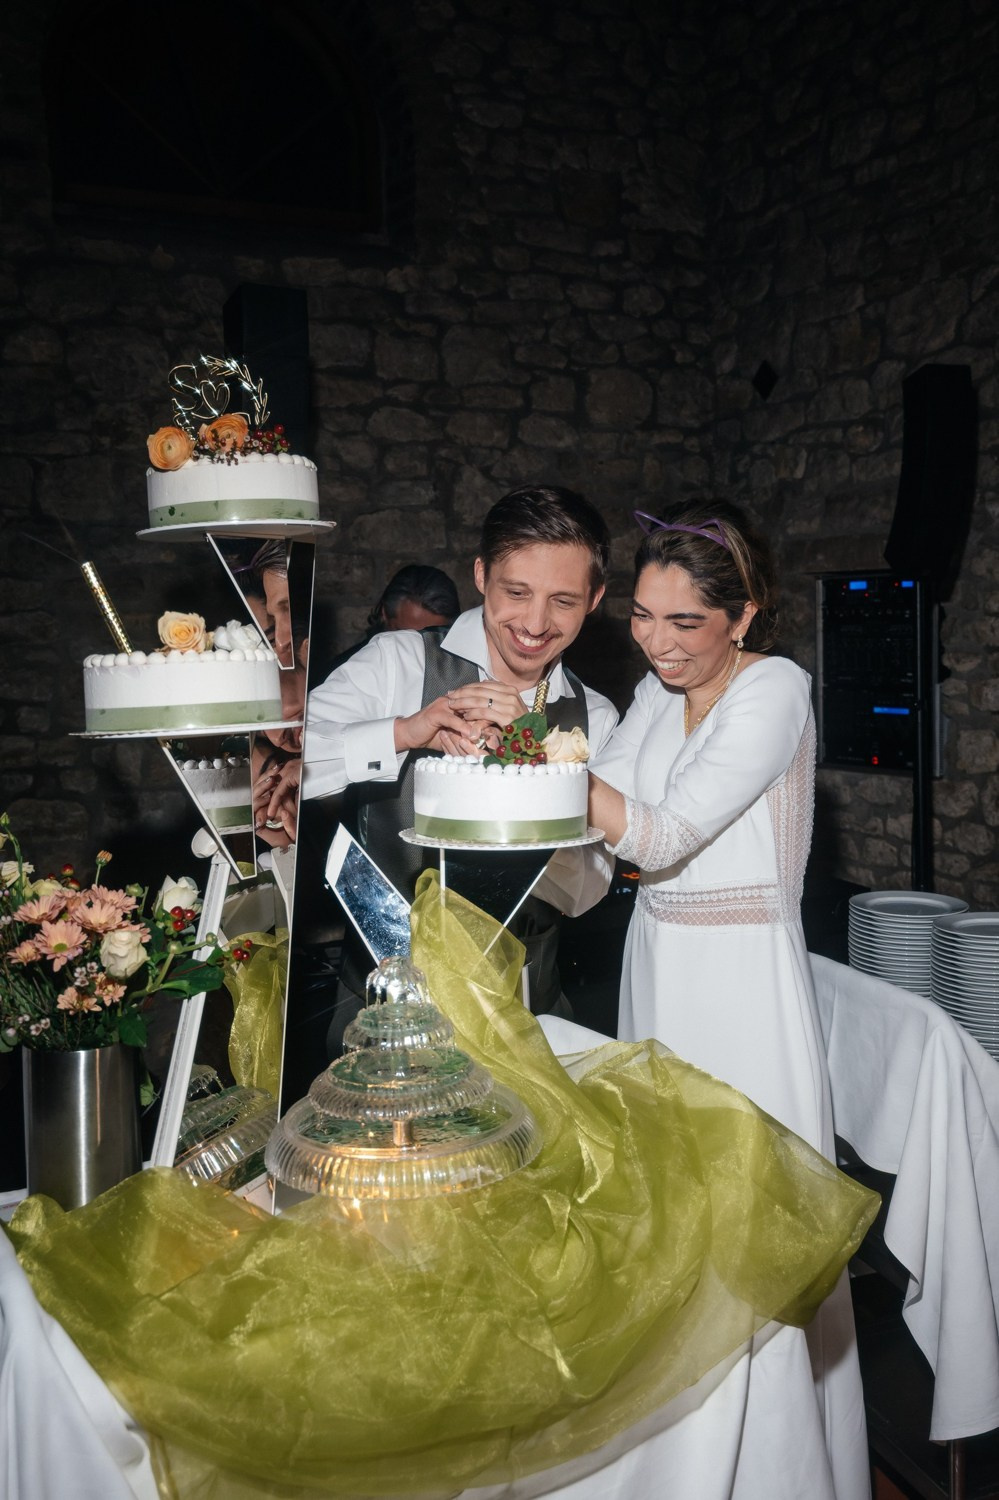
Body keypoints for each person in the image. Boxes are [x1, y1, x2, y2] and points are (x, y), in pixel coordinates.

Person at [587, 498, 871, 1500]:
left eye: (685, 623)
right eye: (643, 619)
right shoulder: (663, 689)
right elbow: (603, 816)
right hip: (657, 966)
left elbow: (658, 836)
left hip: (742, 983)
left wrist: (539, 761)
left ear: (743, 615)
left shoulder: (775, 689)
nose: (658, 645)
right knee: (667, 1218)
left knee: (751, 1234)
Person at [303, 484, 619, 1044]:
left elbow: (585, 891)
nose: (536, 622)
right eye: (516, 592)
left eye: (564, 601)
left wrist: (534, 768)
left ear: (594, 599)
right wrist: (405, 732)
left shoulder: (594, 714)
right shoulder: (398, 661)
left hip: (528, 1017)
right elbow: (287, 761)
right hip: (385, 1013)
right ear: (480, 575)